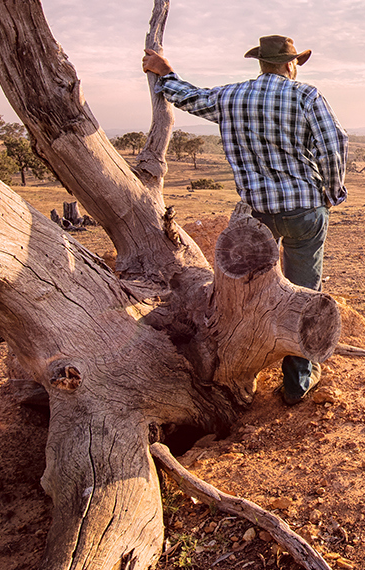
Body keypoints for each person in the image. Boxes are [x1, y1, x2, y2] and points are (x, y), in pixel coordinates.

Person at [142, 35, 348, 404]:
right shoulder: (305, 96)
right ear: (289, 64)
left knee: (256, 292)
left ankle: (243, 362)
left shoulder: (232, 96)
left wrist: (165, 72)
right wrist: (331, 192)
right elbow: (335, 144)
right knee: (304, 288)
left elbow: (188, 97)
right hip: (304, 210)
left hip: (258, 217)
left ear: (261, 63)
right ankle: (298, 381)